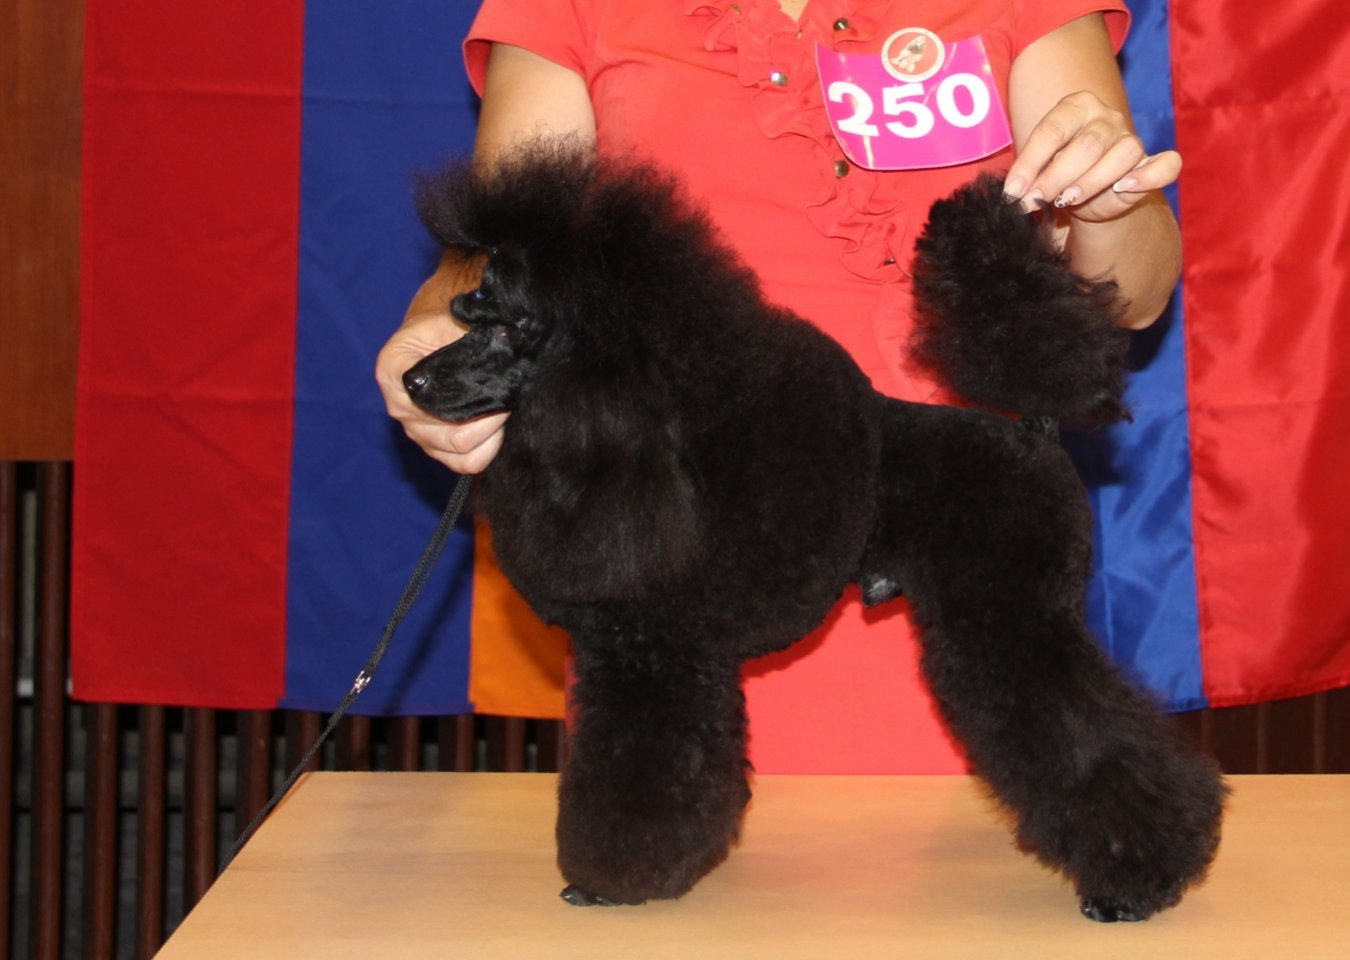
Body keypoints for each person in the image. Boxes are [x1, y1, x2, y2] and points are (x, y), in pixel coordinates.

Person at [374, 0, 1184, 769]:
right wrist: (440, 322)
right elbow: (507, 249)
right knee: (659, 795)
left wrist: (1110, 205)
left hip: (951, 510)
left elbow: (1137, 295)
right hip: (684, 528)